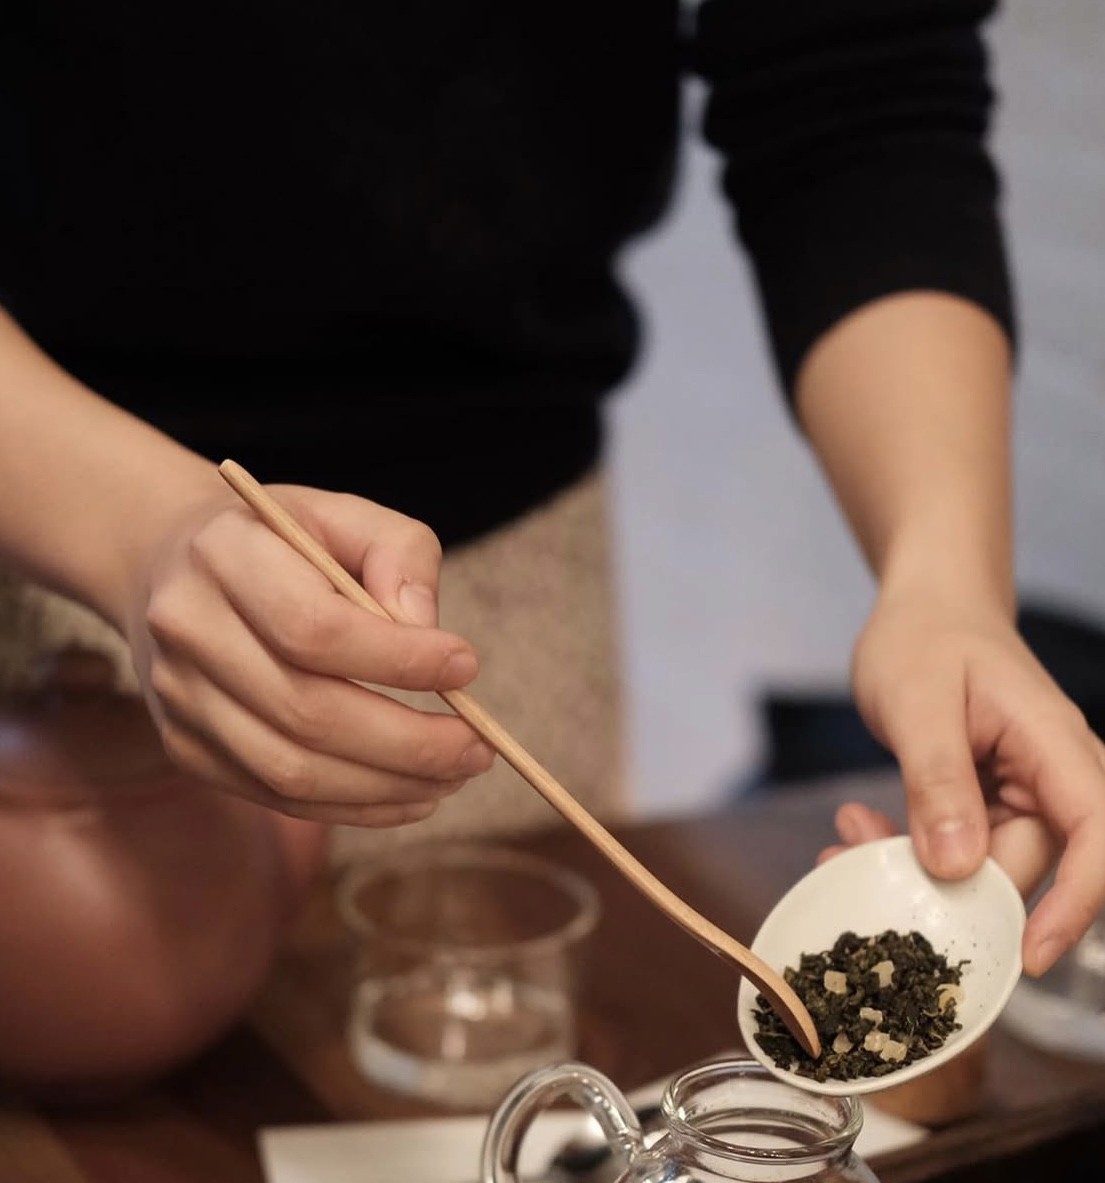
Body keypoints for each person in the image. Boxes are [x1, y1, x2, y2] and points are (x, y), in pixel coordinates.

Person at [1, 0, 1103, 983]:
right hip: (42, 509)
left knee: (515, 1045)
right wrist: (131, 528)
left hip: (509, 579)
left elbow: (860, 85)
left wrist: (944, 581)